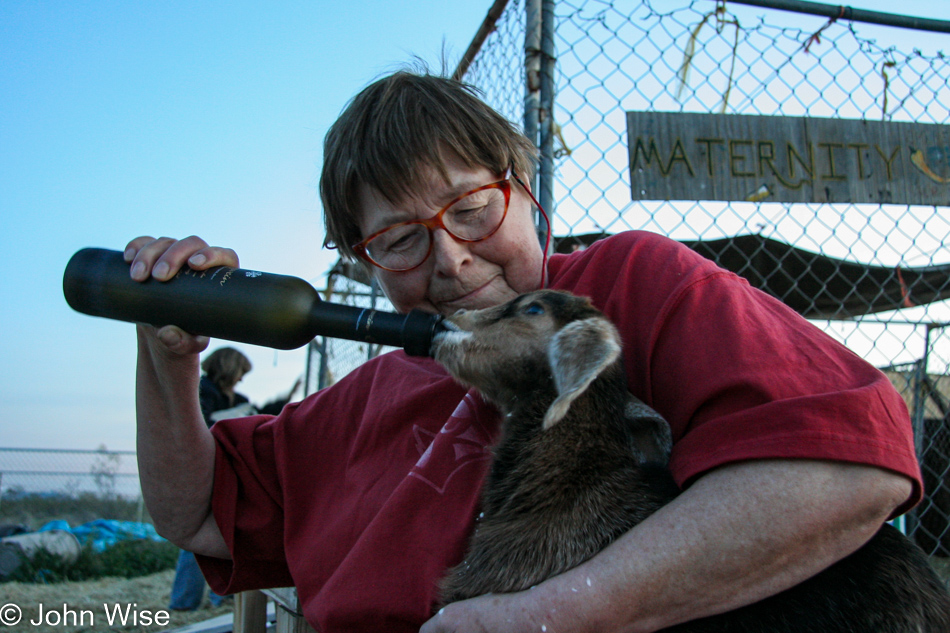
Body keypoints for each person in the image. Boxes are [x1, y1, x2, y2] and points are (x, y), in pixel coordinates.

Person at [124, 70, 920, 633]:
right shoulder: (367, 394)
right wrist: (168, 360)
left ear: (525, 192)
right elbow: (194, 515)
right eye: (400, 239)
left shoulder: (626, 286)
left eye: (472, 209)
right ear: (363, 259)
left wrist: (562, 613)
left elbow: (850, 470)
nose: (452, 261)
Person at [168, 347, 301, 611]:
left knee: (225, 532)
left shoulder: (237, 398)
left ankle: (221, 597)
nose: (242, 378)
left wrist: (286, 398)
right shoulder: (203, 392)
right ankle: (184, 602)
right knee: (197, 534)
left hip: (228, 473)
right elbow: (199, 424)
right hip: (203, 471)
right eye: (241, 372)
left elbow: (256, 413)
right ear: (229, 368)